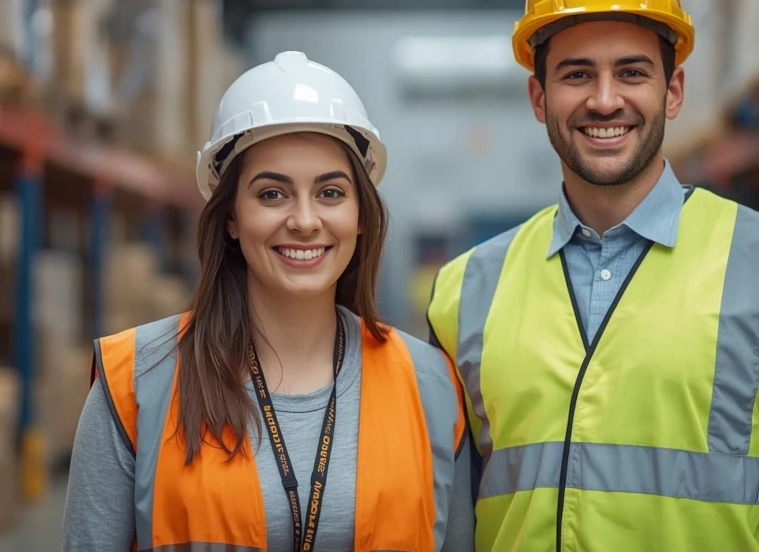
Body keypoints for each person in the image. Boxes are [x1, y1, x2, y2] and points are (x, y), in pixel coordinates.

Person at [426, 0, 759, 551]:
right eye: (577, 74)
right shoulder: (465, 292)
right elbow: (451, 530)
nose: (605, 99)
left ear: (673, 92)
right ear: (539, 96)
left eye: (632, 72)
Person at [63, 51, 474, 552]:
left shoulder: (431, 387)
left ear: (361, 215)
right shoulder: (136, 381)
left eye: (330, 192)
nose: (304, 220)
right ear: (231, 217)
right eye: (272, 194)